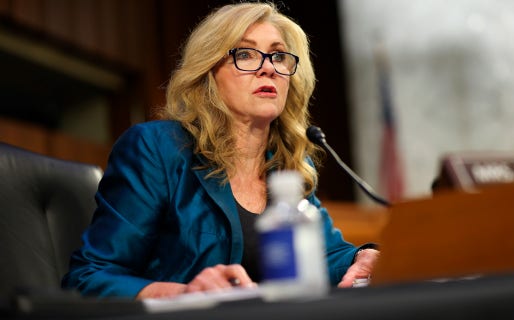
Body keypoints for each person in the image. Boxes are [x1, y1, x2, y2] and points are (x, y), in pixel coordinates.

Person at [62, 2, 379, 299]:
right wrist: (184, 294)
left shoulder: (287, 161)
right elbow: (88, 277)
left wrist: (362, 257)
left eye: (279, 56)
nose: (268, 68)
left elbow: (324, 254)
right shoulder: (157, 149)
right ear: (208, 72)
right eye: (247, 54)